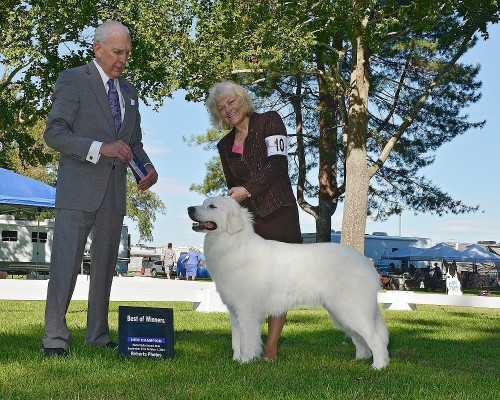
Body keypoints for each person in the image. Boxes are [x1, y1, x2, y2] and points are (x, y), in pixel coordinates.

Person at [41, 21, 158, 357]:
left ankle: (98, 336)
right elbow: (54, 133)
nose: (123, 59)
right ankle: (55, 339)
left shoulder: (130, 93)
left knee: (105, 267)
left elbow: (133, 143)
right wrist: (100, 148)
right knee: (65, 264)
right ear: (98, 48)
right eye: (118, 52)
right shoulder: (73, 79)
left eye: (127, 53)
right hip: (77, 189)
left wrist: (147, 167)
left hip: (114, 193)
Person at [205, 80, 302, 361]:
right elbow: (231, 185)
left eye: (231, 102)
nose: (228, 110)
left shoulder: (270, 121)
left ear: (242, 100)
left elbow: (278, 164)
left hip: (279, 213)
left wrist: (247, 190)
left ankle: (270, 348)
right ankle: (248, 345)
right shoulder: (224, 145)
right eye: (221, 108)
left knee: (279, 281)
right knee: (249, 283)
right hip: (248, 223)